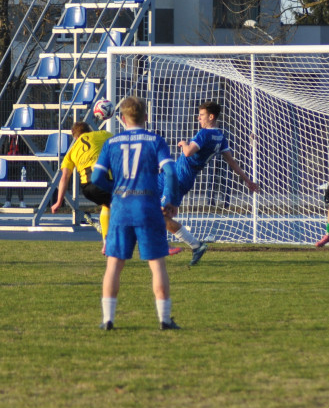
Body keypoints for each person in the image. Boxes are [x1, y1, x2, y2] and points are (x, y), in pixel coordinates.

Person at [90, 96, 180, 330]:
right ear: (146, 117)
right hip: (148, 207)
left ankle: (108, 320)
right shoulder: (155, 140)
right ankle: (164, 319)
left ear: (121, 118)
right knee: (157, 265)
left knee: (114, 265)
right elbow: (170, 172)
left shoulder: (112, 143)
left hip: (121, 209)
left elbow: (96, 178)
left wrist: (117, 191)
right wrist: (169, 199)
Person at [162, 100, 259, 265]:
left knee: (160, 215)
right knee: (151, 205)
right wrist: (247, 180)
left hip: (179, 177)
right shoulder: (220, 137)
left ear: (211, 116)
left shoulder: (204, 134)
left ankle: (190, 245)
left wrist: (184, 143)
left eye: (201, 115)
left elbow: (187, 153)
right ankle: (171, 244)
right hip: (179, 177)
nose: (198, 118)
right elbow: (232, 162)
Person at [51, 121, 113, 251]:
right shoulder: (102, 134)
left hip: (86, 188)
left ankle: (107, 239)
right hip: (104, 181)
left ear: (75, 137)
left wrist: (58, 202)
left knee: (107, 205)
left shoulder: (71, 151)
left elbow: (64, 178)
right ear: (89, 130)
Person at [1, 134, 28, 209]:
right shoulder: (6, 138)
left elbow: (25, 150)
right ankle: (8, 201)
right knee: (9, 182)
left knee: (19, 182)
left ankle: (21, 201)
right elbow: (3, 150)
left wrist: (24, 162)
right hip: (8, 162)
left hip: (18, 162)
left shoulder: (21, 139)